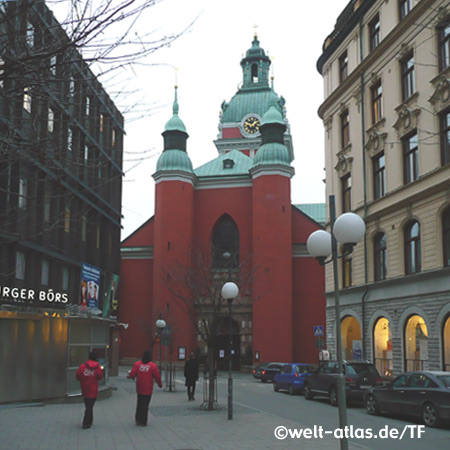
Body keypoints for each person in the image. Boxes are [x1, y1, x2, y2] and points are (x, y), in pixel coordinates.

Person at [127, 350, 162, 426]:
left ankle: (138, 419)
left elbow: (132, 374)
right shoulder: (153, 366)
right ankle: (143, 420)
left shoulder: (137, 364)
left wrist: (131, 377)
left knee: (139, 403)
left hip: (139, 387)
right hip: (148, 389)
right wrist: (160, 384)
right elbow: (157, 376)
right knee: (145, 405)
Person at [76, 352, 103, 429]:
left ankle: (89, 421)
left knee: (88, 405)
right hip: (93, 389)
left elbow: (78, 376)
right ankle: (86, 422)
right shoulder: (97, 367)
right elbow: (100, 376)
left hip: (85, 389)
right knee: (89, 406)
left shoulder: (82, 366)